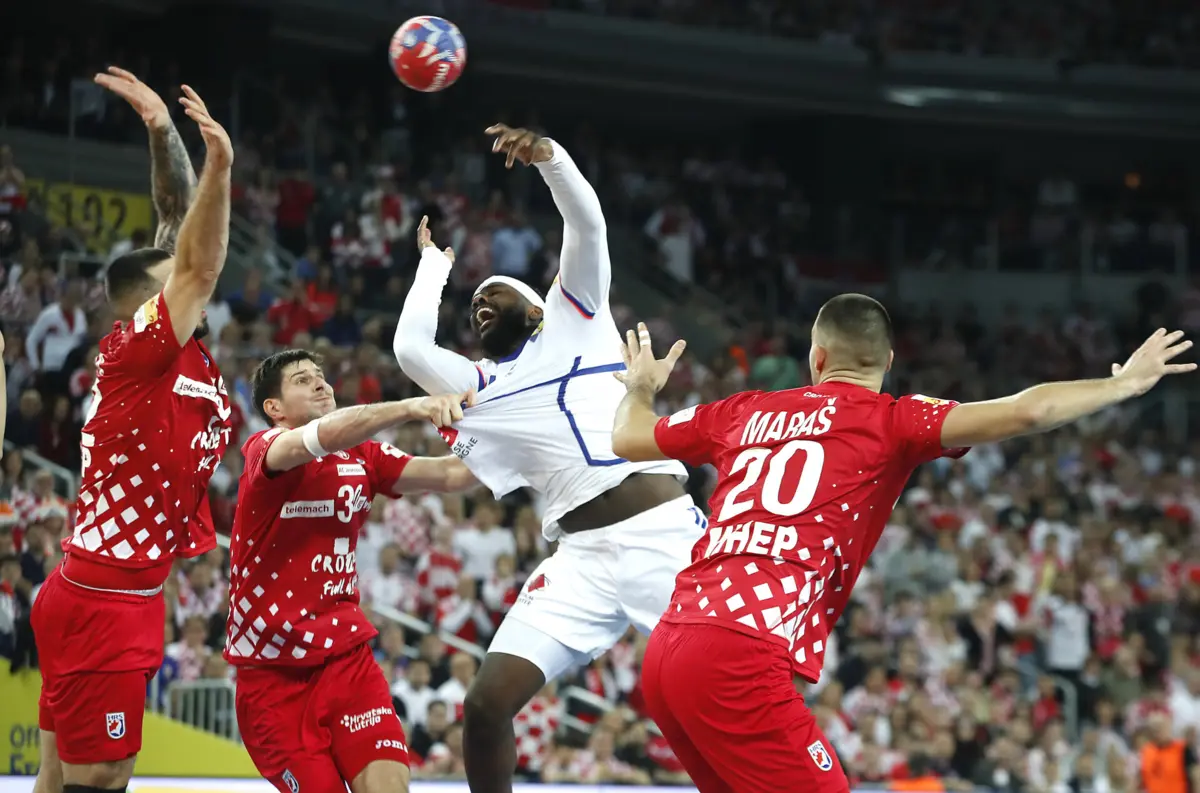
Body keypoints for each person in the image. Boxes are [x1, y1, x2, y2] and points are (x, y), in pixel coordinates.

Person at [609, 299, 1195, 793]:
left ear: (816, 358)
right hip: (740, 655)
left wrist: (639, 387)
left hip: (667, 649)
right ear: (888, 363)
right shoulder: (894, 420)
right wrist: (1122, 384)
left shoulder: (742, 410)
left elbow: (628, 437)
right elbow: (1029, 410)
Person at [392, 124, 703, 793]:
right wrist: (433, 268)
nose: (479, 306)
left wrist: (550, 158)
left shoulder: (576, 315)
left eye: (491, 295)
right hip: (579, 559)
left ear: (535, 304)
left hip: (662, 536)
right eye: (472, 305)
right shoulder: (483, 388)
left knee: (715, 697)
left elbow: (585, 225)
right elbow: (413, 351)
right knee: (484, 704)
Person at [30, 73, 233, 793]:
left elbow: (177, 216)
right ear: (151, 301)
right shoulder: (141, 351)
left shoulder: (171, 346)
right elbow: (200, 260)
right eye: (172, 275)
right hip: (104, 601)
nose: (189, 274)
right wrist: (223, 164)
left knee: (57, 775)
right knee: (103, 774)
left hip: (109, 592)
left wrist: (158, 129)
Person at [225, 349, 481, 793]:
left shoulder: (363, 453)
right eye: (304, 380)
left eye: (322, 376)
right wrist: (412, 405)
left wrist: (519, 432)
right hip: (273, 674)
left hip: (347, 660)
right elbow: (325, 434)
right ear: (274, 408)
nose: (321, 383)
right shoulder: (265, 449)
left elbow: (454, 476)